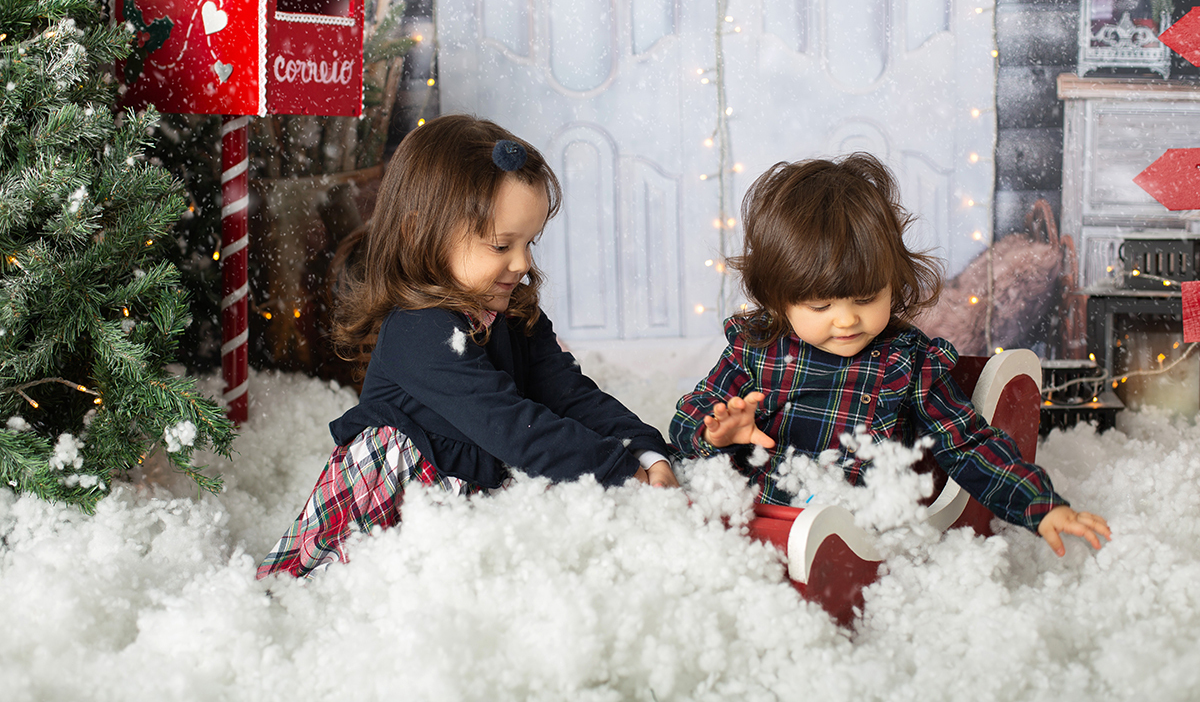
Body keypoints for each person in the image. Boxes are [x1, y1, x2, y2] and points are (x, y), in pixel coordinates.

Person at [258, 114, 677, 579]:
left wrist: (645, 452)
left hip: (471, 495)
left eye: (529, 242)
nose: (522, 263)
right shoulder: (417, 331)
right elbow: (515, 427)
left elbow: (570, 394)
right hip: (396, 508)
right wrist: (615, 472)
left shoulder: (511, 311)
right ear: (419, 232)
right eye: (502, 245)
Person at [668, 153, 1110, 557]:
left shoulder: (905, 362)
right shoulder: (755, 348)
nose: (846, 321)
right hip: (761, 524)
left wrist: (1040, 505)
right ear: (779, 299)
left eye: (866, 299)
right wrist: (717, 434)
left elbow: (967, 443)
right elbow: (685, 423)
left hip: (853, 534)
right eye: (821, 307)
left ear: (893, 284)